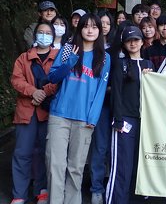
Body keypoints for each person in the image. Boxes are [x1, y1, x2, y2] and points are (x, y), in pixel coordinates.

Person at [45, 13, 111, 204]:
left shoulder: (104, 58)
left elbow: (100, 92)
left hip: (84, 119)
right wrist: (70, 62)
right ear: (80, 28)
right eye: (86, 26)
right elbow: (53, 78)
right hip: (59, 116)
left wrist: (93, 118)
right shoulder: (67, 49)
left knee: (76, 167)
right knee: (55, 164)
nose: (90, 30)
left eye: (94, 27)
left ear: (99, 31)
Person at [10, 22, 59, 204]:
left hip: (49, 112)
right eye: (41, 32)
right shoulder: (24, 58)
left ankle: (42, 190)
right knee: (22, 152)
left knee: (44, 153)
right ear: (35, 35)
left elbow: (61, 78)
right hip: (26, 111)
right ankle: (19, 194)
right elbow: (16, 79)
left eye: (48, 33)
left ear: (53, 37)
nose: (44, 35)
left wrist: (43, 92)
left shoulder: (59, 56)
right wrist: (33, 91)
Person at [106, 26, 153, 204]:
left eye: (136, 40)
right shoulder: (120, 63)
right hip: (124, 119)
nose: (133, 43)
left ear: (142, 41)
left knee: (138, 164)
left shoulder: (149, 65)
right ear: (124, 44)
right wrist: (117, 119)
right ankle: (116, 200)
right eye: (129, 40)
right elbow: (116, 93)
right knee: (121, 165)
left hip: (145, 121)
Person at [88, 11, 116, 204]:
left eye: (107, 23)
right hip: (85, 102)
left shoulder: (115, 49)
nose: (104, 26)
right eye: (101, 23)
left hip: (108, 104)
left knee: (102, 147)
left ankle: (102, 186)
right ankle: (93, 186)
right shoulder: (85, 48)